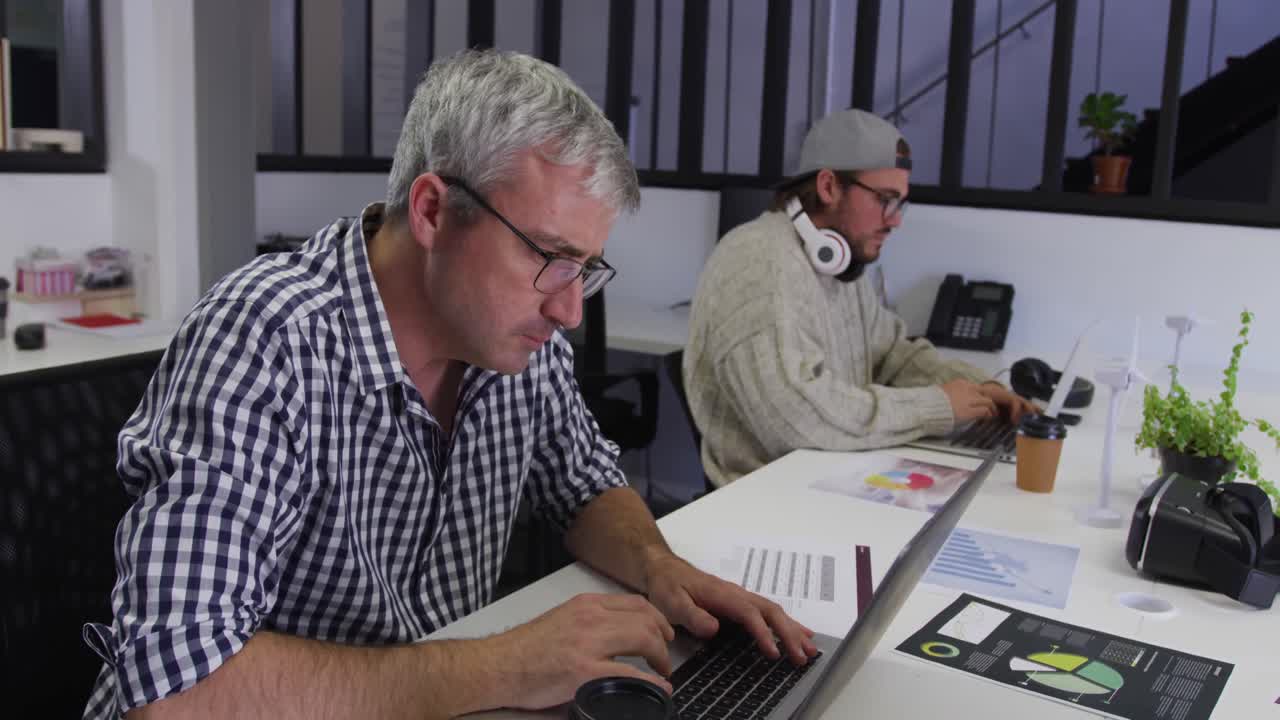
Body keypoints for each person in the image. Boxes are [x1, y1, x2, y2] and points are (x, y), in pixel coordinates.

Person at [82, 50, 816, 719]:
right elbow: (175, 690)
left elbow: (585, 485)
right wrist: (506, 664)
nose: (566, 310)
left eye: (585, 269)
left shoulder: (512, 344)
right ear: (433, 210)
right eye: (551, 257)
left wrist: (660, 568)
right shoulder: (264, 339)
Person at [684, 109, 1036, 488]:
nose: (895, 220)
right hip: (769, 507)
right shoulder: (759, 262)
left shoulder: (839, 265)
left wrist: (979, 389)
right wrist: (937, 407)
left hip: (833, 480)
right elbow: (797, 420)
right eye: (885, 199)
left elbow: (892, 358)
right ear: (829, 187)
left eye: (900, 204)